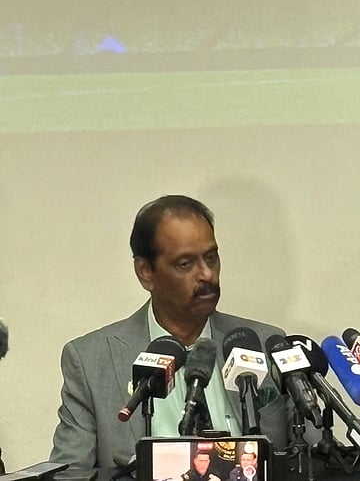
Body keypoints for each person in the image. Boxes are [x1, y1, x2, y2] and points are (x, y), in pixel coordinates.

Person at [50, 195, 291, 476]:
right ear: (146, 273)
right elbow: (66, 473)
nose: (206, 274)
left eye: (211, 258)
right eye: (185, 264)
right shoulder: (91, 360)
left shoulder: (264, 343)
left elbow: (315, 459)